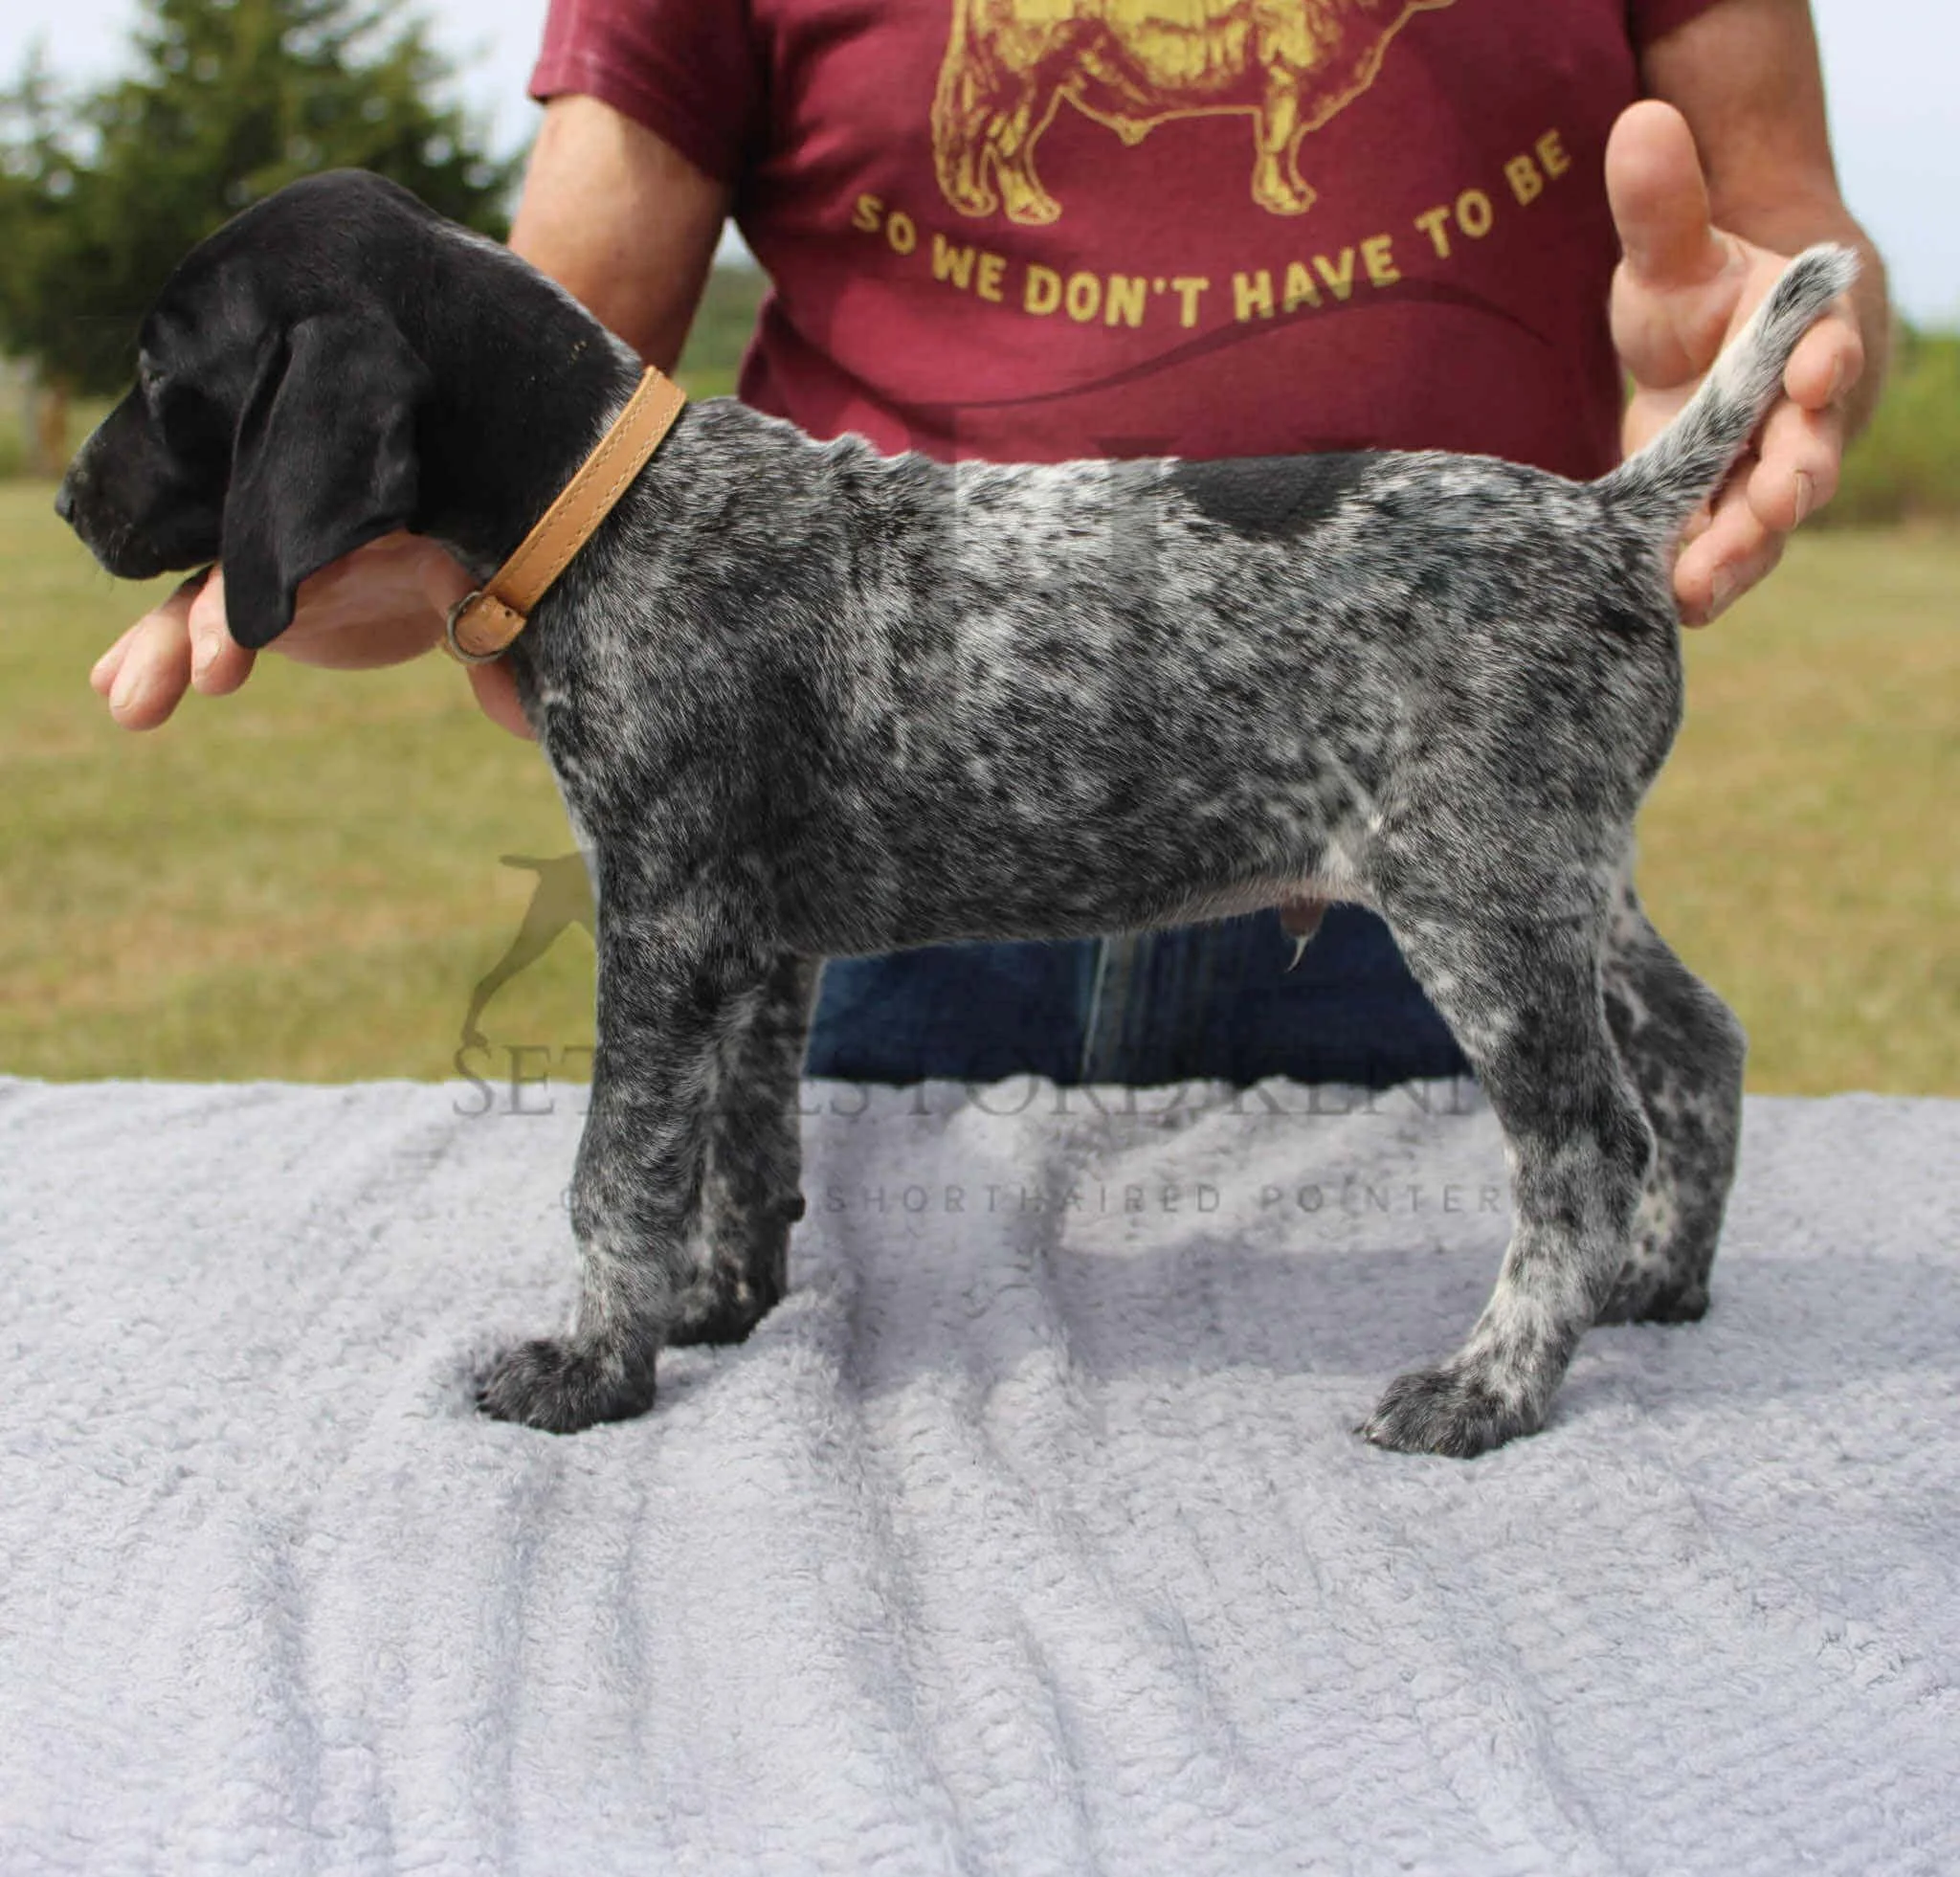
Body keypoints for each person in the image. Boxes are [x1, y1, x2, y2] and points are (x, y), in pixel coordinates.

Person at [87, 0, 1888, 1088]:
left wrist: (1768, 351)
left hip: (1427, 735)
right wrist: (336, 518)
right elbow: (532, 375)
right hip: (884, 837)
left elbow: (1785, 214)